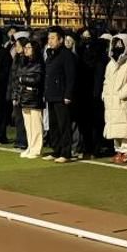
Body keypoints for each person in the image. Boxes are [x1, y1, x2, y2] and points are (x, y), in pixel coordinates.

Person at [103, 33, 127, 164]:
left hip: (124, 101)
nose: (118, 47)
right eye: (116, 44)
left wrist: (121, 94)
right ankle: (118, 150)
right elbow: (106, 81)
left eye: (121, 44)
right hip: (111, 101)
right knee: (114, 126)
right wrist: (105, 94)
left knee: (126, 126)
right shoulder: (110, 64)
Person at [44, 27, 77, 162]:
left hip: (61, 96)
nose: (50, 41)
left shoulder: (66, 55)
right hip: (51, 94)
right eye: (49, 38)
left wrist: (68, 95)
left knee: (64, 125)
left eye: (53, 38)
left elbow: (71, 77)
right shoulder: (51, 54)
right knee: (53, 125)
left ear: (61, 39)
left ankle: (66, 152)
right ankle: (56, 150)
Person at [74, 32, 108, 158]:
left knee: (95, 124)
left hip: (95, 96)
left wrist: (97, 94)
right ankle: (87, 148)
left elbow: (100, 78)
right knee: (85, 124)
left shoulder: (101, 59)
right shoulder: (81, 56)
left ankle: (95, 149)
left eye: (88, 38)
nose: (86, 41)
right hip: (83, 95)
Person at [13, 39, 46, 159]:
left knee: (36, 124)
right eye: (25, 47)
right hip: (24, 96)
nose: (25, 50)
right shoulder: (24, 62)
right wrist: (17, 94)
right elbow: (18, 78)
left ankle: (36, 149)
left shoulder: (39, 63)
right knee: (28, 125)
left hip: (34, 97)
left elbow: (37, 80)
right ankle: (31, 146)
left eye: (28, 48)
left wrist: (23, 79)